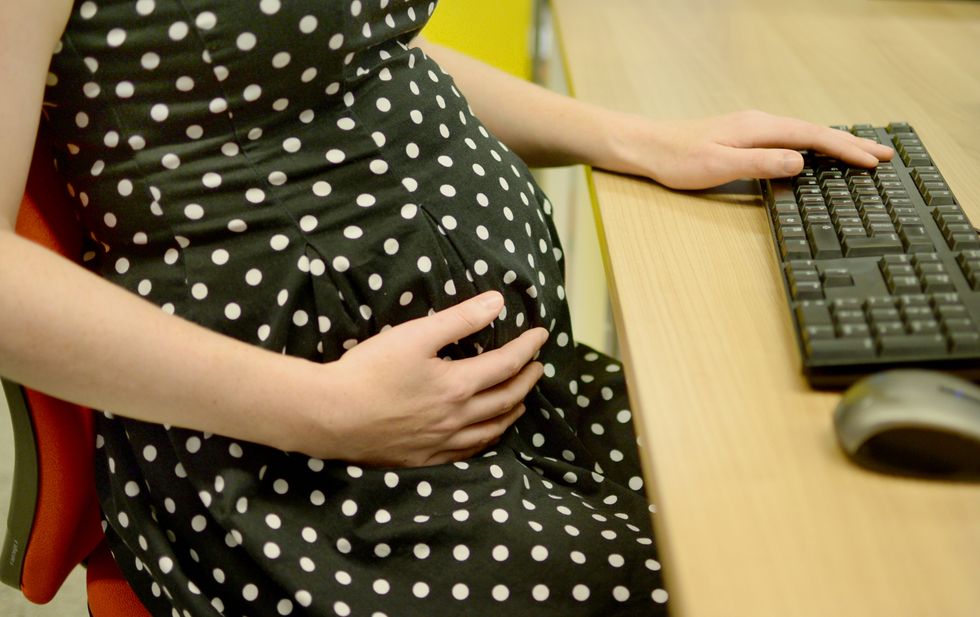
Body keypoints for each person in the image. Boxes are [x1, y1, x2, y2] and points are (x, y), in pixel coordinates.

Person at [0, 1, 894, 616]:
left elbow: (357, 53)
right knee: (745, 581)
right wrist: (327, 411)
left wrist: (641, 139)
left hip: (496, 411)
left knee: (799, 503)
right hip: (299, 473)